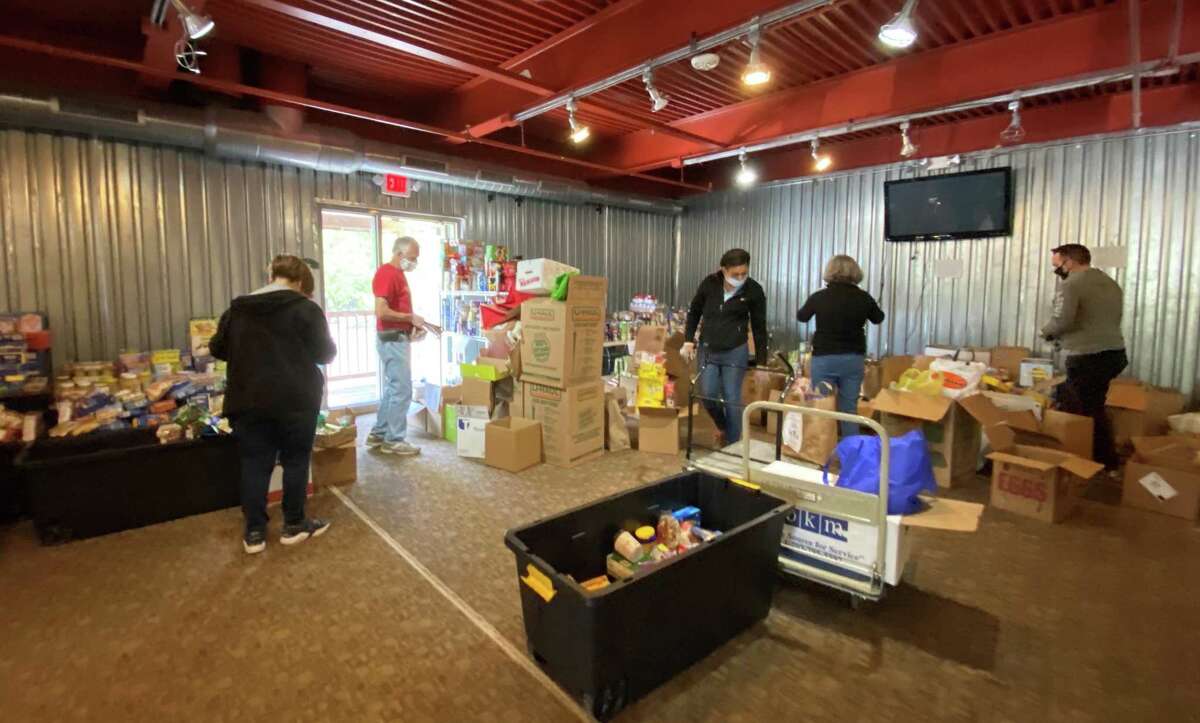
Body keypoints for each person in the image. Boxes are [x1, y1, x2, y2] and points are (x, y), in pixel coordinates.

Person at [210, 255, 337, 554]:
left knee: (254, 463)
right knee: (295, 460)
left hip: (248, 398)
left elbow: (218, 348)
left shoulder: (238, 309)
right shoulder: (306, 309)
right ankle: (294, 524)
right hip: (296, 398)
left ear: (272, 276)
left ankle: (254, 532)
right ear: (302, 283)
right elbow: (325, 353)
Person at [1041, 243, 1127, 469]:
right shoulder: (1109, 283)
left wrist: (1045, 332)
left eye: (1058, 265)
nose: (1057, 270)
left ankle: (1099, 462)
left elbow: (1063, 320)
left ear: (1070, 261)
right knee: (1090, 405)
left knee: (1086, 412)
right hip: (1114, 353)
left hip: (1088, 356)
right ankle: (1100, 459)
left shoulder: (1070, 285)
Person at [683, 248, 768, 446]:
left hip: (735, 351)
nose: (740, 278)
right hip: (708, 349)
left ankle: (733, 446)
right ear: (723, 270)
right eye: (735, 274)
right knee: (708, 394)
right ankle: (722, 426)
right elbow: (694, 311)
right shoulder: (709, 284)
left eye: (743, 274)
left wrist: (762, 363)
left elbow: (759, 328)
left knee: (731, 398)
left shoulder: (754, 290)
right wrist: (689, 340)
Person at [797, 255, 885, 438]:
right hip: (853, 360)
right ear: (855, 273)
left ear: (830, 272)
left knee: (822, 406)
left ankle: (820, 453)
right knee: (849, 411)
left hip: (824, 358)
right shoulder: (864, 298)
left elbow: (802, 316)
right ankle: (850, 457)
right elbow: (879, 318)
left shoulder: (819, 297)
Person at [367, 236, 427, 456]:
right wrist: (410, 317)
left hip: (396, 336)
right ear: (399, 254)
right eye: (412, 258)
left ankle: (379, 433)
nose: (414, 262)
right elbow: (381, 311)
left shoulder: (398, 275)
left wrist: (410, 326)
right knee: (402, 390)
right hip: (391, 338)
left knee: (394, 388)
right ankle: (394, 439)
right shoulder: (387, 273)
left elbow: (394, 310)